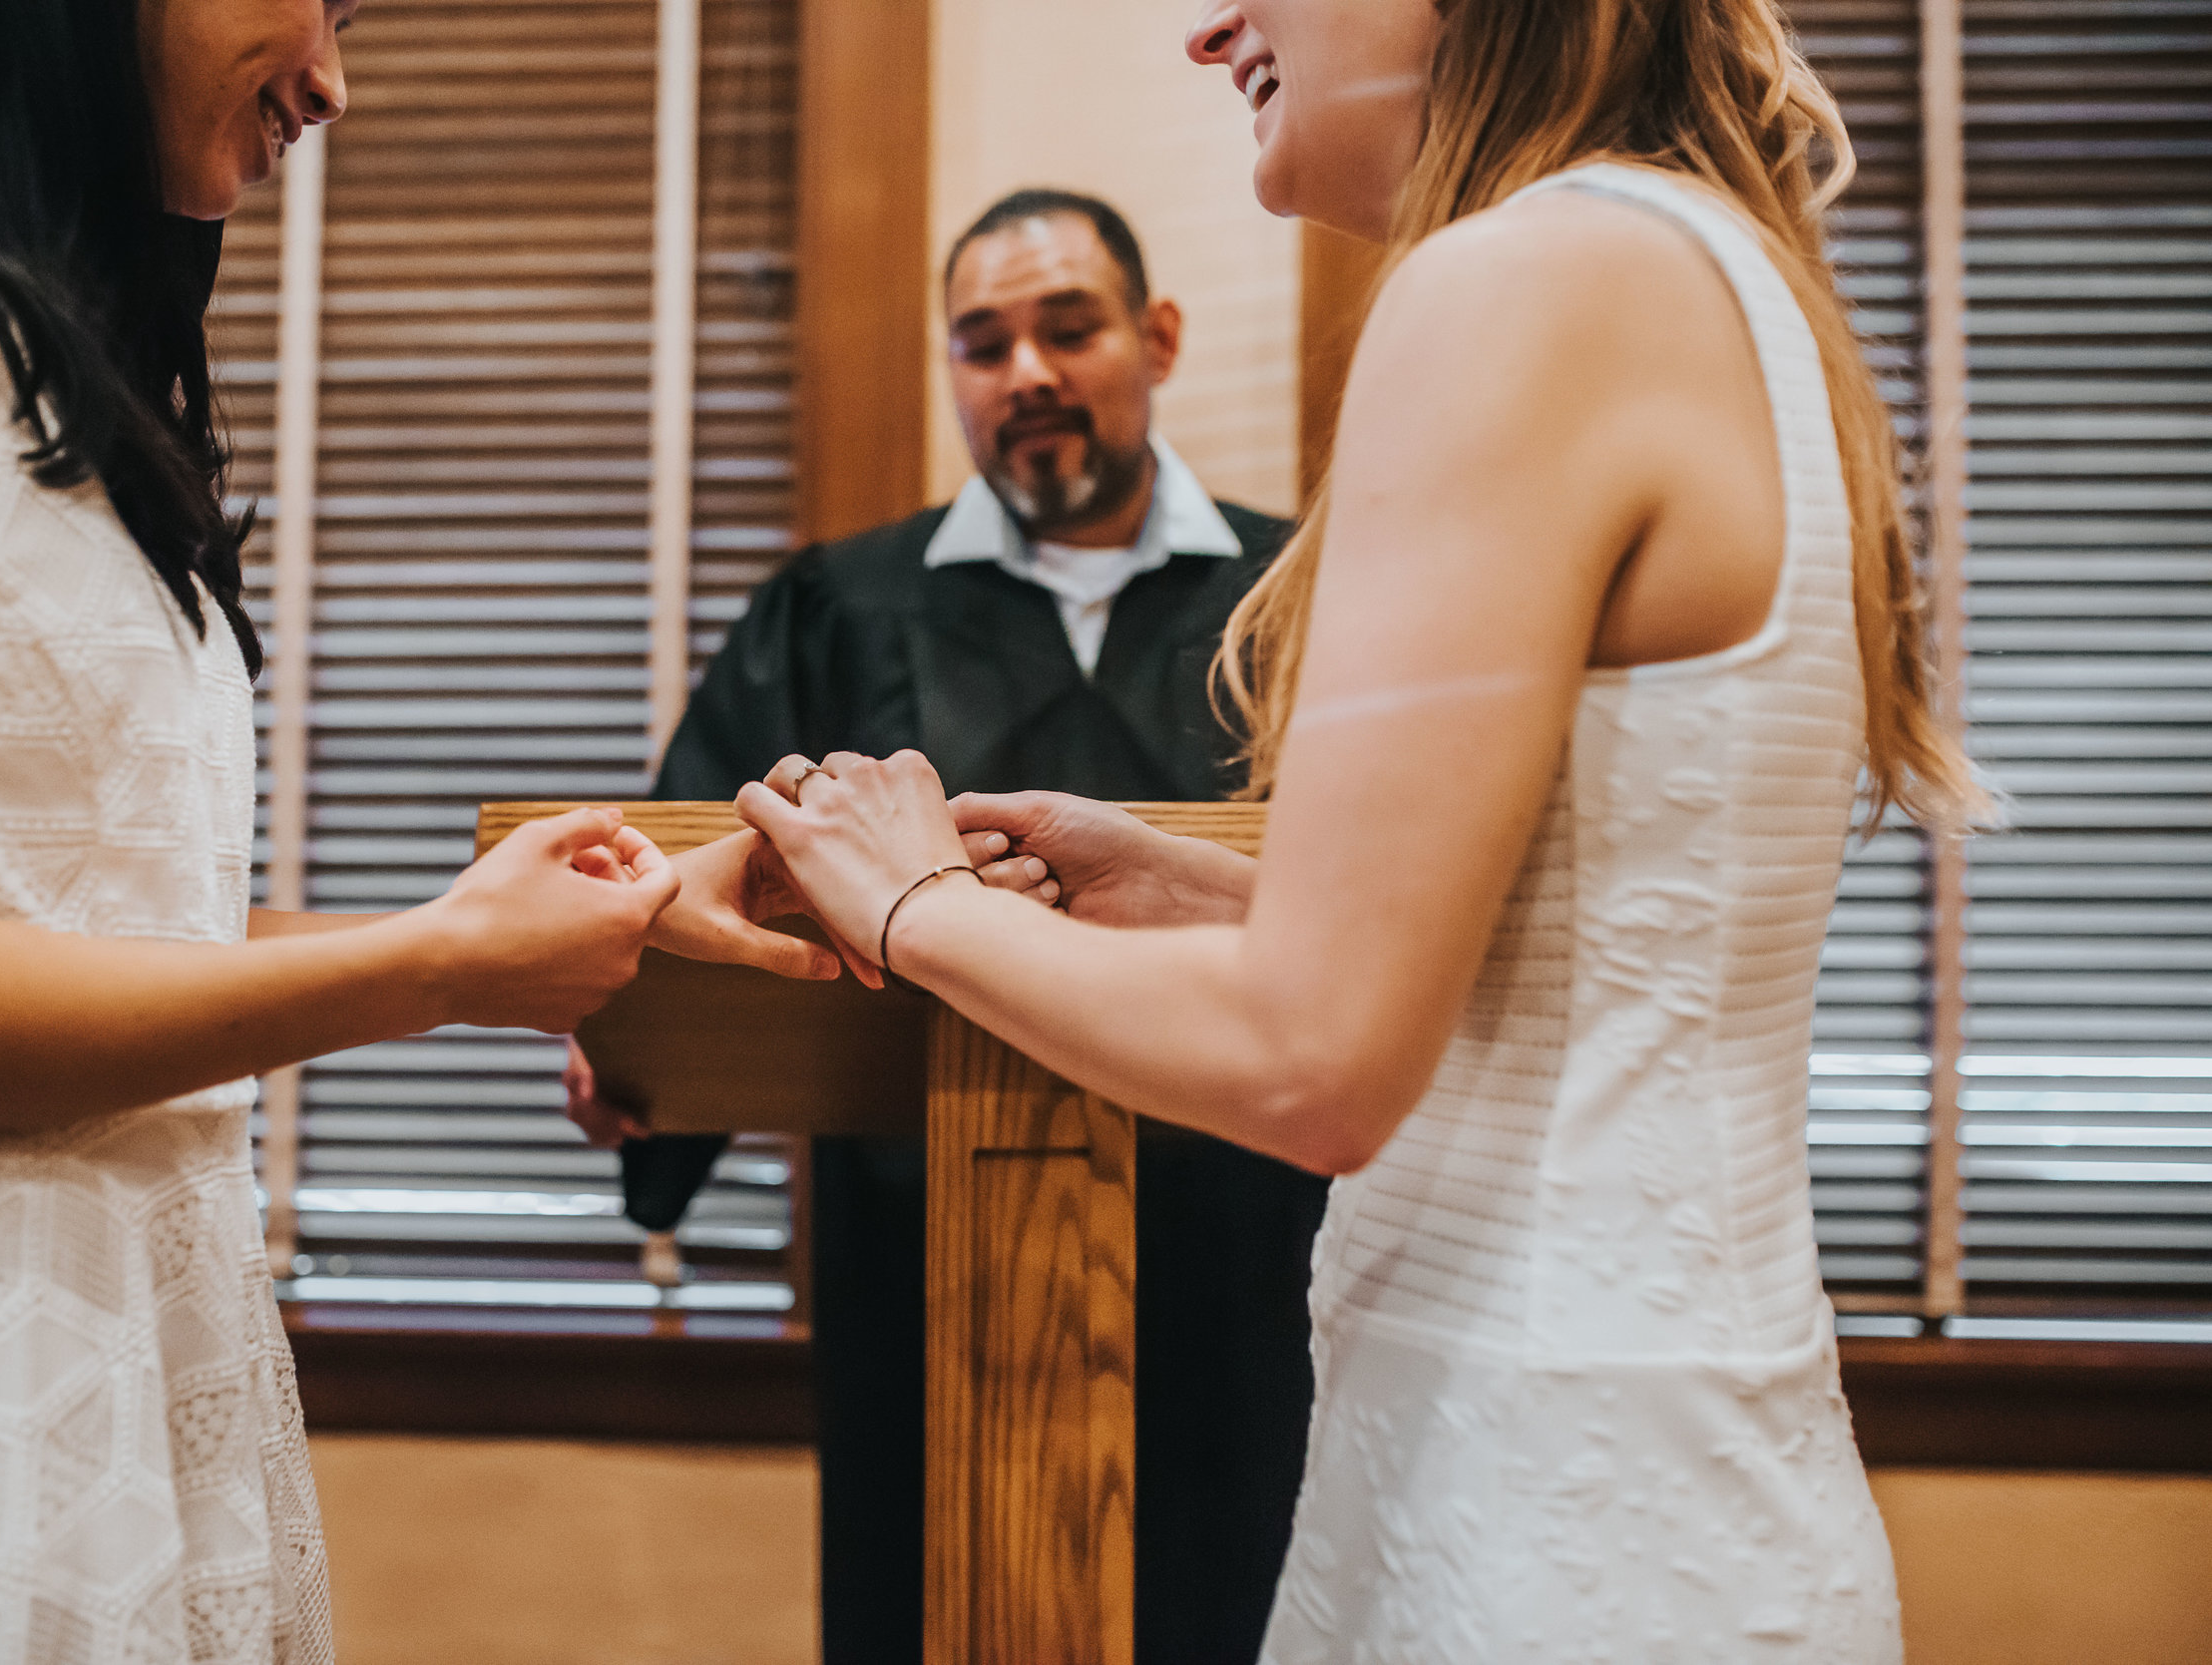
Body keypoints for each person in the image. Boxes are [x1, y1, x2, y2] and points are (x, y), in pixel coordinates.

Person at [722, 0, 1988, 1658]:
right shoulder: (1703, 269)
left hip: (1539, 1486)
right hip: (1665, 1445)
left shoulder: (1516, 283)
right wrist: (1201, 891)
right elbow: (1592, 919)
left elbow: (1315, 1059)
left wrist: (920, 905)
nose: (1212, 27)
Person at [0, 0, 818, 1656]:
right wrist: (438, 968)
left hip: (162, 1366)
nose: (332, 78)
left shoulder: (62, 365)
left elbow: (79, 934)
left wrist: (593, 912)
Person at [571, 190, 1331, 1663]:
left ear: (1155, 339)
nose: (1027, 372)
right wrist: (639, 1067)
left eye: (1069, 328)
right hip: (926, 1276)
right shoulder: (839, 608)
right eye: (983, 344)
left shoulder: (1302, 597)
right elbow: (689, 886)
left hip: (1255, 1265)